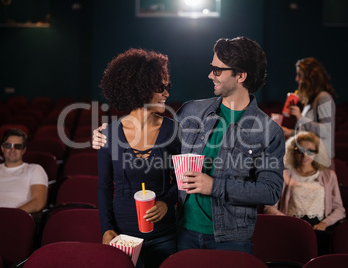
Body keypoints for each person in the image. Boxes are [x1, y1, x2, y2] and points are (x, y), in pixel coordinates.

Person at [93, 36, 285, 254]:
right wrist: (102, 135)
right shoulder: (191, 111)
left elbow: (270, 192)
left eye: (217, 70)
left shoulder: (269, 132)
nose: (210, 74)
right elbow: (151, 132)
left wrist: (213, 186)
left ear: (241, 76)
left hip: (231, 238)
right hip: (184, 233)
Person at [96, 48, 180, 268]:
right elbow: (104, 187)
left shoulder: (173, 131)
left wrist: (166, 202)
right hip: (123, 236)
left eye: (167, 87)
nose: (167, 94)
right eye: (161, 88)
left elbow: (184, 181)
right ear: (141, 89)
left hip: (164, 234)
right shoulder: (108, 135)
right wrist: (106, 228)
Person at [264, 131, 345, 254]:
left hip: (320, 226)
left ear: (317, 153)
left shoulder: (329, 176)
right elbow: (269, 207)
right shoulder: (284, 175)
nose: (304, 154)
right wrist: (290, 222)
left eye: (310, 150)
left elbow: (340, 209)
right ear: (293, 151)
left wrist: (324, 223)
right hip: (292, 226)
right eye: (299, 150)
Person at [281, 57, 337, 165]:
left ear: (311, 77)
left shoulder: (323, 97)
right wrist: (289, 132)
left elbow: (326, 131)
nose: (296, 79)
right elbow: (310, 135)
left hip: (320, 162)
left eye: (300, 75)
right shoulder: (312, 100)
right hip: (310, 160)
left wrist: (300, 117)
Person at [0, 128, 48, 214]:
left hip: (16, 218)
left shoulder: (34, 169)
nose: (13, 149)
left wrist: (12, 215)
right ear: (2, 148)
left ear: (24, 150)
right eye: (8, 145)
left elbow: (38, 202)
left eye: (18, 146)